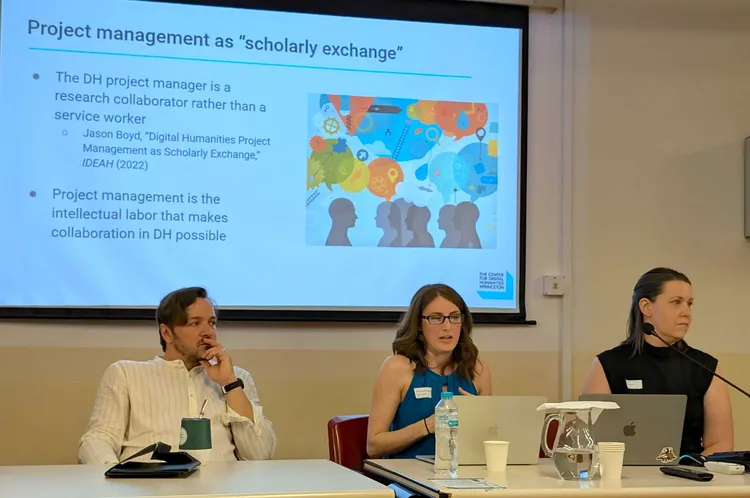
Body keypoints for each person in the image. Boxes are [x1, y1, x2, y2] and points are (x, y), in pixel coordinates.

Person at [78, 287, 276, 464]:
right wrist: (114, 474)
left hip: (221, 491)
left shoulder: (237, 377)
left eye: (212, 323)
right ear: (167, 333)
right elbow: (97, 439)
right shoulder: (126, 373)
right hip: (149, 489)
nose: (208, 332)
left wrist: (230, 383)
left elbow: (259, 455)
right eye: (195, 324)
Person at [581, 267, 733, 456]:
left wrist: (686, 472)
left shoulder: (705, 366)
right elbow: (588, 439)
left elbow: (721, 444)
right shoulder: (608, 364)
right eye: (676, 302)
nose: (686, 312)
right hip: (621, 477)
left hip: (689, 478)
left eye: (689, 303)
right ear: (646, 307)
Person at [366, 283, 492, 458]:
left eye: (454, 317)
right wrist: (427, 425)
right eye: (436, 318)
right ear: (418, 324)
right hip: (407, 478)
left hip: (464, 476)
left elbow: (488, 442)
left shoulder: (478, 370)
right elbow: (374, 446)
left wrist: (480, 421)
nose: (447, 327)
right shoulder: (397, 368)